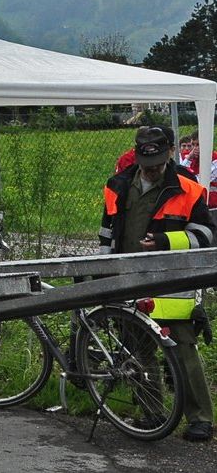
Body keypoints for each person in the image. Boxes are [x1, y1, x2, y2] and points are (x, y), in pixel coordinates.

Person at [99, 125, 215, 442]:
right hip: (129, 279)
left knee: (183, 351)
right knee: (138, 351)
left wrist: (165, 240)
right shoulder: (118, 186)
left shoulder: (189, 189)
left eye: (158, 164)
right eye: (146, 164)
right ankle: (152, 413)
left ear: (171, 154)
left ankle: (200, 419)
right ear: (137, 157)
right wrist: (102, 270)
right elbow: (107, 233)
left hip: (170, 283)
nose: (151, 170)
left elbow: (205, 236)